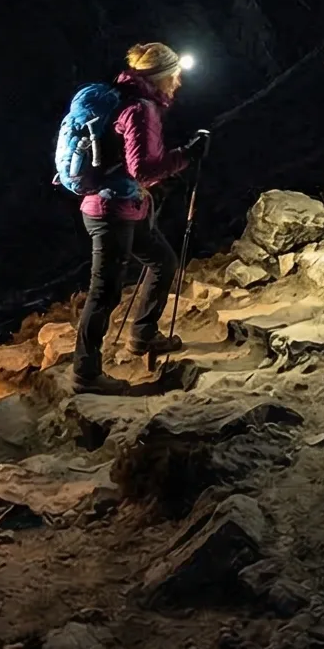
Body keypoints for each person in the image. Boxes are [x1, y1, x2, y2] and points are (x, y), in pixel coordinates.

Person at [73, 41, 208, 393]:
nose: (178, 83)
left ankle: (144, 334)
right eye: (175, 76)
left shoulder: (126, 99)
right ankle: (85, 374)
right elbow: (143, 169)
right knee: (104, 292)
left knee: (163, 261)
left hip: (125, 205)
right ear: (161, 76)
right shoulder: (140, 109)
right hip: (112, 211)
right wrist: (186, 155)